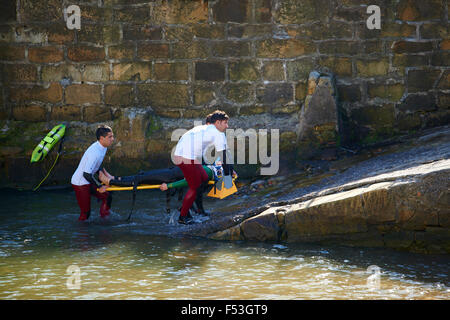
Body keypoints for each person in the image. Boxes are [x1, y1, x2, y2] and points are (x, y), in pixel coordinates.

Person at [173, 110, 233, 224]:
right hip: (185, 158)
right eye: (225, 123)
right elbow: (224, 158)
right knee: (194, 187)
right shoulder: (218, 134)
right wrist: (228, 177)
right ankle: (183, 216)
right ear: (218, 122)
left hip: (186, 156)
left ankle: (197, 209)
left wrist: (228, 171)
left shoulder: (205, 128)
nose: (227, 126)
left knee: (205, 178)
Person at [71, 125, 116, 221]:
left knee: (108, 196)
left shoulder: (103, 147)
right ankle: (81, 233)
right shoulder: (94, 152)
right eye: (110, 137)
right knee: (86, 213)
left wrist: (101, 173)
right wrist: (100, 186)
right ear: (101, 138)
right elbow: (86, 174)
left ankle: (105, 220)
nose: (113, 139)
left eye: (112, 136)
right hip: (80, 183)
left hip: (88, 179)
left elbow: (96, 165)